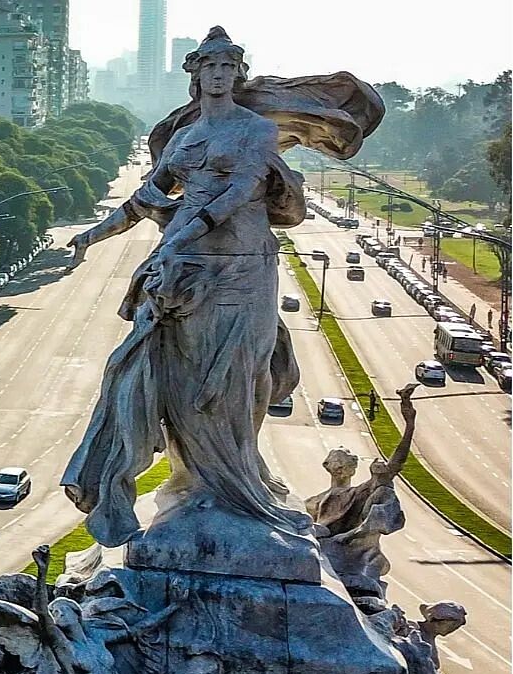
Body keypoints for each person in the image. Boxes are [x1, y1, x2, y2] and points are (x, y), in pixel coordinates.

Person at [61, 28, 381, 550]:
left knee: (238, 378)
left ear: (238, 75)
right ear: (194, 76)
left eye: (228, 68)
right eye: (208, 67)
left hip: (240, 265)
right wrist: (92, 235)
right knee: (173, 379)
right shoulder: (185, 140)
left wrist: (179, 236)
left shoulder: (254, 130)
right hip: (186, 269)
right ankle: (191, 484)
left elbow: (235, 192)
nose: (218, 76)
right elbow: (147, 198)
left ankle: (239, 485)